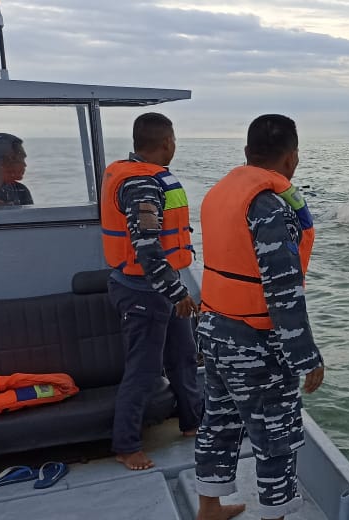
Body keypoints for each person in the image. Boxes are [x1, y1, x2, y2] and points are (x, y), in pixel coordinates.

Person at [193, 114, 324, 520]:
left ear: (247, 154)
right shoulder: (268, 207)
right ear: (291, 158)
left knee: (218, 420)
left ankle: (209, 507)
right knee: (276, 437)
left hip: (213, 330)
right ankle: (276, 515)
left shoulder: (220, 193)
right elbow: (283, 291)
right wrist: (307, 358)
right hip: (252, 343)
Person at [99, 112, 203, 471]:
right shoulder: (142, 185)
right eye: (174, 140)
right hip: (143, 291)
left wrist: (173, 291)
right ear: (166, 143)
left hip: (161, 287)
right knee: (143, 370)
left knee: (184, 356)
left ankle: (193, 423)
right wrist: (178, 293)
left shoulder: (142, 177)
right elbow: (146, 250)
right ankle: (126, 445)